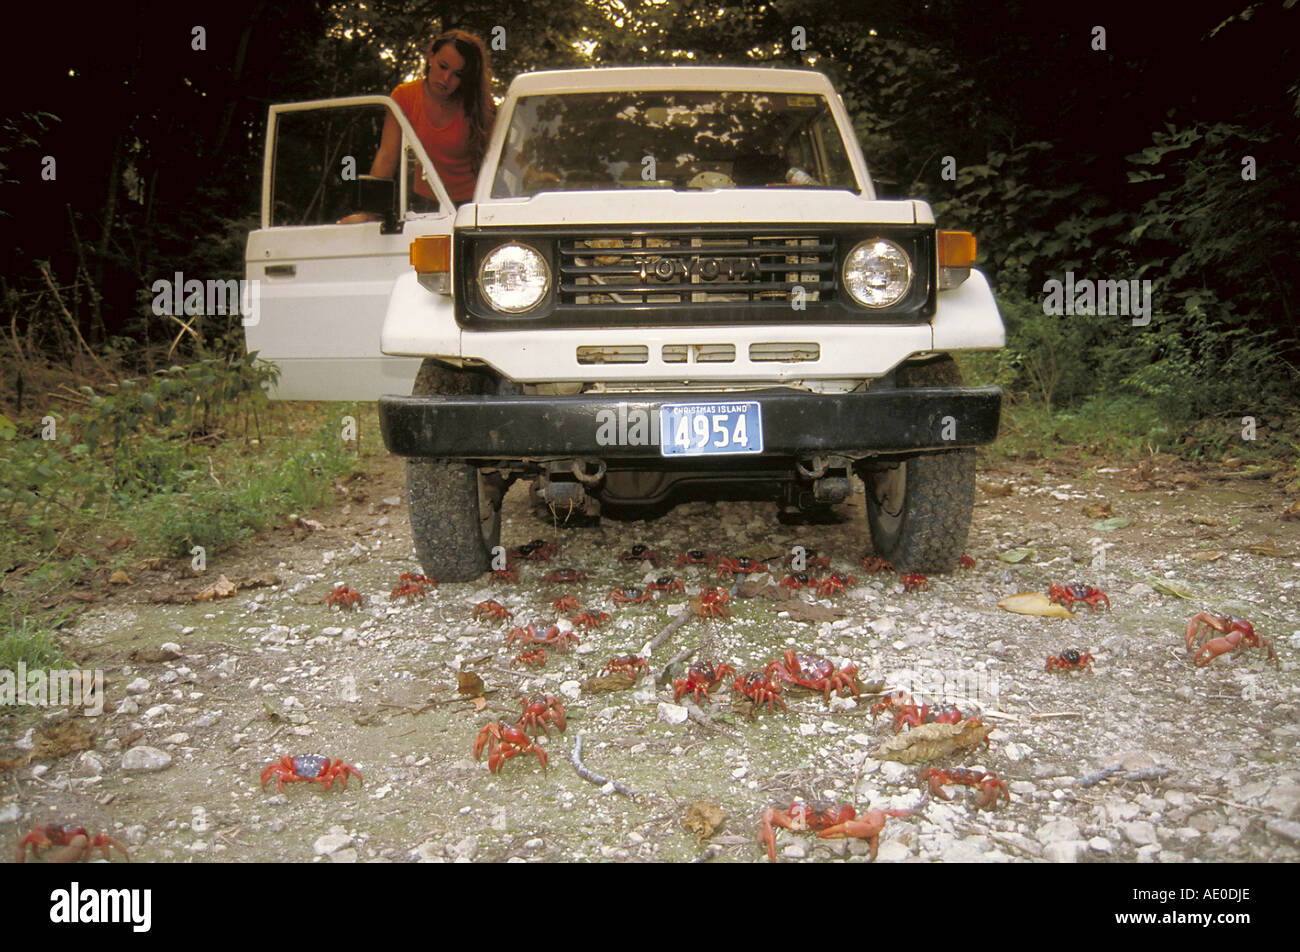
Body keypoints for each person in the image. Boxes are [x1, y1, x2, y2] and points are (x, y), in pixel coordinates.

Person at [369, 28, 495, 209]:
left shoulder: (478, 105)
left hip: (474, 203)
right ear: (430, 57)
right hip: (425, 202)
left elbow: (502, 158)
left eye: (457, 74)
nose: (446, 78)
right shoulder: (404, 96)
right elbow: (387, 157)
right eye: (443, 66)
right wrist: (369, 211)